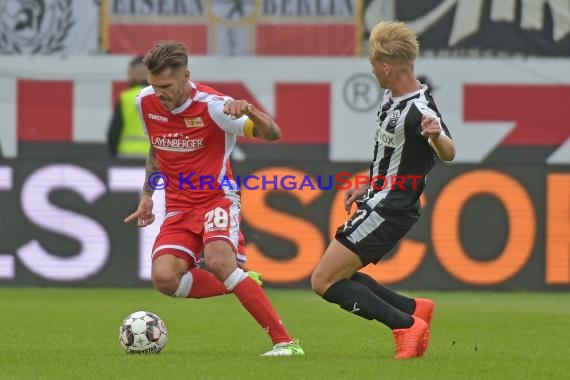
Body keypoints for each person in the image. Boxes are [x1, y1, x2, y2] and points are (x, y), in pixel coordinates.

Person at [124, 41, 304, 357]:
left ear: (186, 76)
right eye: (154, 86)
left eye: (166, 85)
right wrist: (147, 195)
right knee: (164, 279)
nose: (160, 93)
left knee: (220, 262)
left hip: (216, 200)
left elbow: (272, 133)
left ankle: (285, 343)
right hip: (178, 207)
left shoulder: (214, 107)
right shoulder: (145, 102)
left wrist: (249, 109)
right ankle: (241, 281)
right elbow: (157, 149)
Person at [311, 21, 455, 359]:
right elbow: (391, 156)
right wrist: (367, 184)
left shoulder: (419, 110)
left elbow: (449, 152)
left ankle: (406, 325)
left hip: (390, 209)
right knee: (339, 275)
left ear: (386, 66)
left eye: (373, 63)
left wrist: (436, 136)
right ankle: (414, 309)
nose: (372, 70)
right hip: (380, 199)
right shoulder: (391, 98)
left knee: (324, 281)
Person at [107, 56, 150, 158]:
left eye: (129, 73)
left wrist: (113, 154)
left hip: (126, 155)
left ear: (137, 74)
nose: (128, 77)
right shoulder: (160, 97)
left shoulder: (126, 98)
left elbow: (114, 131)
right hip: (153, 157)